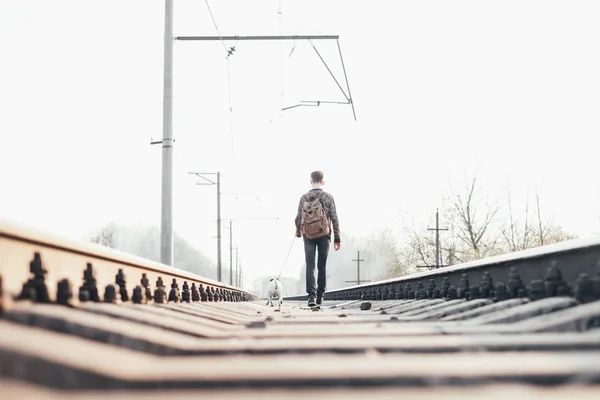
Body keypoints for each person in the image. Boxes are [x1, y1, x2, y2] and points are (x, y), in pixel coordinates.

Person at [295, 170, 341, 307]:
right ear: (323, 181)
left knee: (310, 266)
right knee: (322, 266)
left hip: (308, 235)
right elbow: (334, 218)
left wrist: (298, 232)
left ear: (311, 181)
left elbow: (298, 217)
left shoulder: (304, 198)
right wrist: (337, 238)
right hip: (324, 235)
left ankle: (311, 296)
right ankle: (320, 296)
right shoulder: (328, 197)